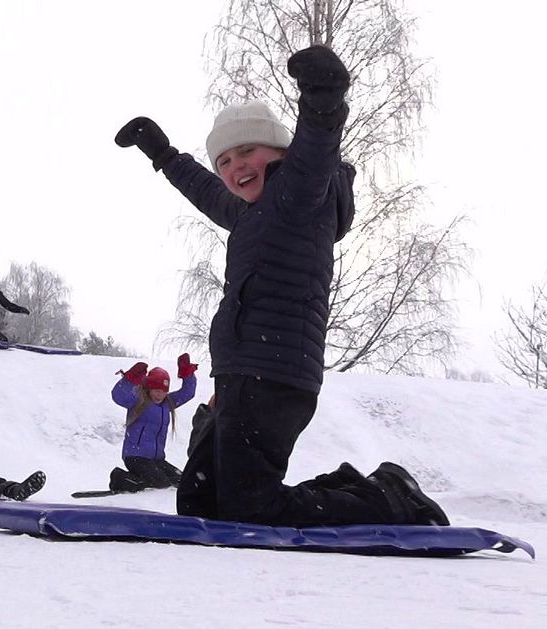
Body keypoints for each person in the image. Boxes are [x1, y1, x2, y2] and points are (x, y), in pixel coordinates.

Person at [115, 45, 448, 527]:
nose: (235, 167)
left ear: (280, 151)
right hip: (239, 373)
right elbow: (202, 188)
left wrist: (323, 97)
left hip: (276, 372)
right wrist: (163, 154)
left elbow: (317, 145)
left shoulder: (299, 193)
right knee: (200, 501)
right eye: (225, 160)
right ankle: (353, 490)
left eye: (247, 151)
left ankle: (387, 499)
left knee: (250, 508)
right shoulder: (248, 212)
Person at [108, 354, 198, 493]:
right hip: (135, 457)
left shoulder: (167, 404)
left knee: (182, 481)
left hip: (157, 460)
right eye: (156, 390)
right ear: (148, 388)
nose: (160, 394)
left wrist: (187, 372)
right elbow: (118, 395)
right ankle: (119, 477)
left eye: (163, 391)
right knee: (161, 484)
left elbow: (188, 393)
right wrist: (130, 378)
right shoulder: (137, 401)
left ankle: (139, 481)